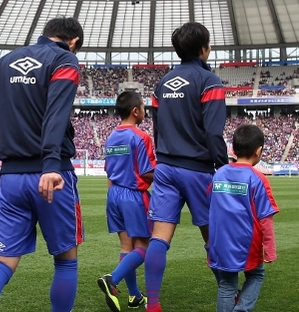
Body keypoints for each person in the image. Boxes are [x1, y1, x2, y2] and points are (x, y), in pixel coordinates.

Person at [0, 17, 85, 312]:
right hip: (52, 177)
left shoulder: (5, 63)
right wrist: (50, 165)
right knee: (65, 262)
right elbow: (56, 115)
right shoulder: (65, 60)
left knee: (1, 264)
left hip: (11, 178)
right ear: (73, 42)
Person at [143, 22, 228, 312]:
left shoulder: (162, 83)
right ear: (205, 49)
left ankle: (153, 304)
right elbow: (214, 132)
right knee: (211, 237)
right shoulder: (210, 81)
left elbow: (157, 129)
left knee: (159, 237)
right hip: (198, 170)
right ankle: (229, 293)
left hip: (166, 168)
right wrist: (224, 167)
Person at [97, 90, 156, 312]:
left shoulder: (111, 137)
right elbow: (147, 171)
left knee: (126, 246)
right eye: (143, 108)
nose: (145, 111)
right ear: (135, 111)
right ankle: (112, 279)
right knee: (144, 247)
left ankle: (134, 296)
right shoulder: (140, 137)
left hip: (113, 194)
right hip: (133, 195)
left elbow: (109, 171)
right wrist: (168, 176)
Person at [209, 124, 278, 312]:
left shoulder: (219, 174)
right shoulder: (258, 179)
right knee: (255, 275)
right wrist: (270, 249)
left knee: (227, 284)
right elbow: (265, 218)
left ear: (233, 149)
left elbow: (210, 203)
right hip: (247, 243)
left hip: (221, 242)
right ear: (258, 151)